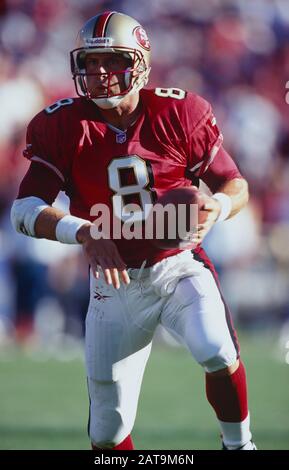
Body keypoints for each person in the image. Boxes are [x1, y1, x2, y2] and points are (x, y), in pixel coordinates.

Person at [11, 11, 256, 450]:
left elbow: (234, 185)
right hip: (114, 283)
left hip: (177, 266)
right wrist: (84, 233)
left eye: (112, 60)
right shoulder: (63, 125)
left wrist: (214, 209)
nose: (99, 73)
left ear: (140, 62)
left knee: (217, 349)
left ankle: (240, 446)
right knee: (108, 433)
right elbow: (25, 209)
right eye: (90, 62)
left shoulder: (179, 111)